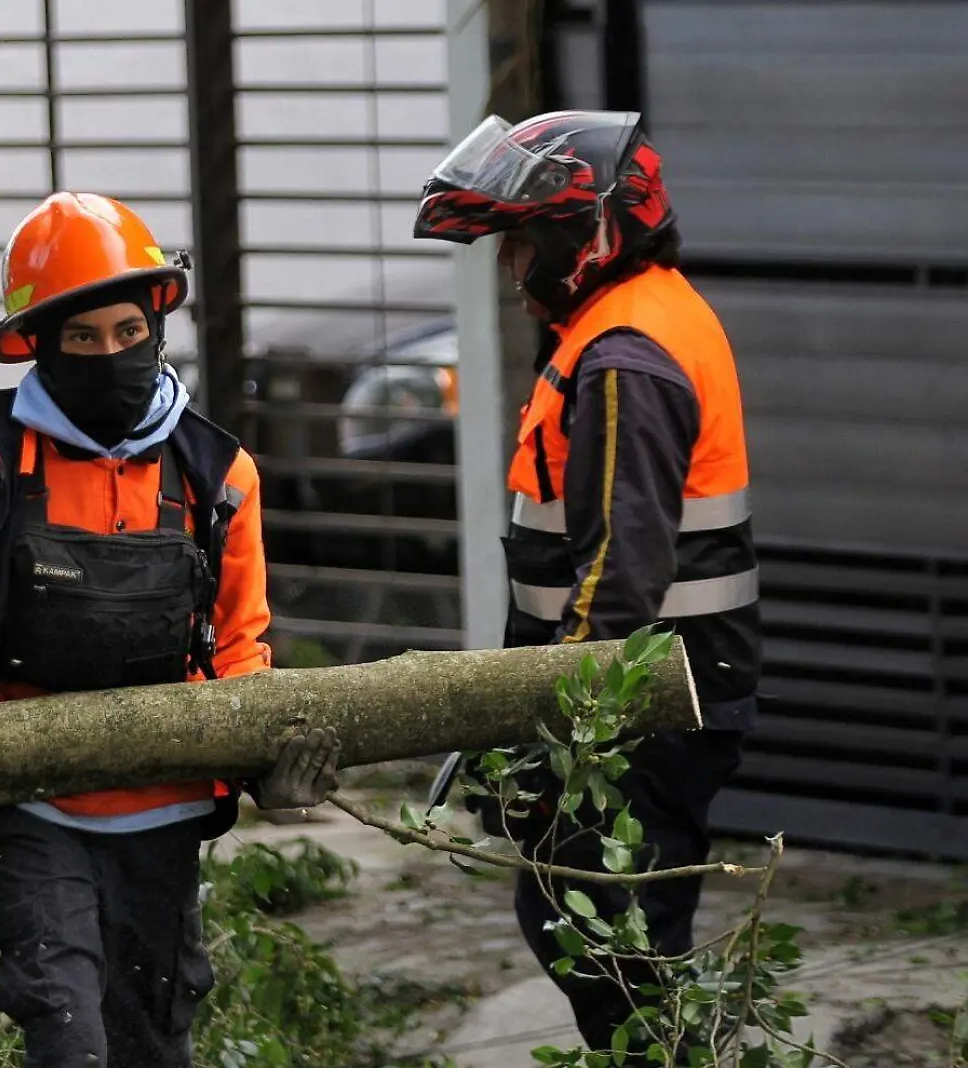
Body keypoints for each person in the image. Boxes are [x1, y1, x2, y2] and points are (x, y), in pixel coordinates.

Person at [0, 191, 341, 1068]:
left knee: (151, 1044)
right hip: (33, 806)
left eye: (126, 333)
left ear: (156, 325)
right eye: (84, 338)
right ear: (38, 343)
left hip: (166, 810)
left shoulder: (219, 475)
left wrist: (267, 765)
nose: (111, 353)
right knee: (65, 1036)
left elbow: (242, 644)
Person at [413, 111, 761, 1059]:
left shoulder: (624, 361)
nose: (511, 272)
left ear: (584, 237)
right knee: (600, 928)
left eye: (519, 245)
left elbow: (617, 586)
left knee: (610, 939)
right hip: (653, 693)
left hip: (643, 704)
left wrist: (551, 731)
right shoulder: (627, 319)